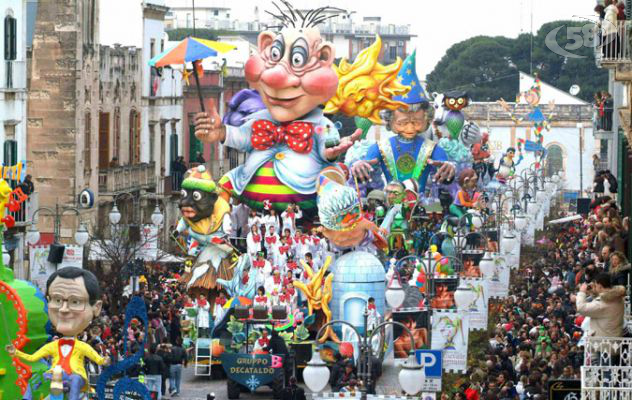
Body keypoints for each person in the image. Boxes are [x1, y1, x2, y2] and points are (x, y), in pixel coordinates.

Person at [6, 267, 110, 400]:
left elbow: (96, 358)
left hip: (74, 375)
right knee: (36, 379)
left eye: (75, 302)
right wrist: (15, 352)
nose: (64, 309)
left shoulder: (82, 346)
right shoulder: (53, 346)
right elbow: (33, 358)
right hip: (56, 374)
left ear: (96, 308)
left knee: (76, 380)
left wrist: (104, 360)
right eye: (57, 300)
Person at [574, 272, 625, 338]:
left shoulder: (603, 303)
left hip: (603, 344)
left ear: (600, 286)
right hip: (613, 341)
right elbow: (604, 297)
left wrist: (582, 292)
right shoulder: (617, 297)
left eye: (596, 285)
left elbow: (581, 308)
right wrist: (595, 292)